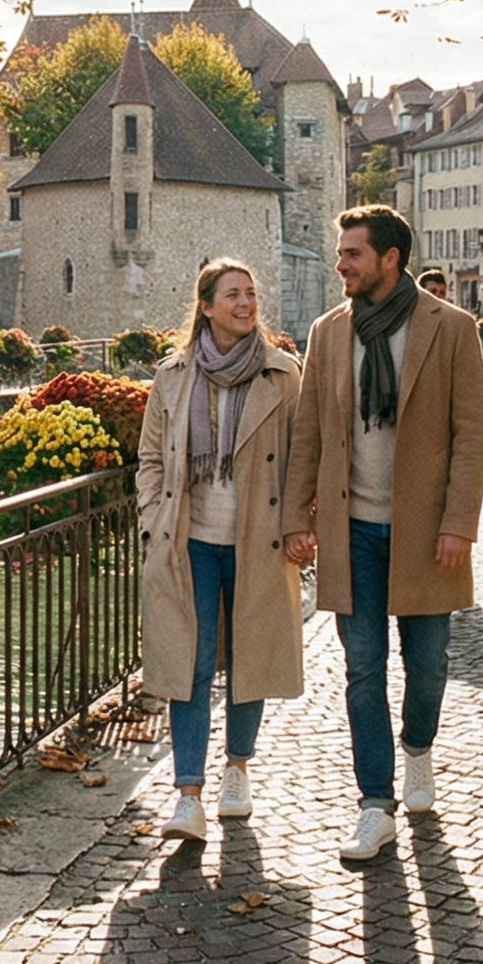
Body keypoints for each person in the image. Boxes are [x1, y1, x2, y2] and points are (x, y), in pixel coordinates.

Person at [283, 205, 483, 864]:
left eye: (352, 254)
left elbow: (470, 435)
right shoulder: (328, 332)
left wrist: (460, 523)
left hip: (427, 532)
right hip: (353, 533)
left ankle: (418, 748)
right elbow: (309, 429)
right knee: (362, 671)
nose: (340, 264)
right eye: (341, 253)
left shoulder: (451, 328)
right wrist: (296, 516)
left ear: (389, 259)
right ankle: (375, 803)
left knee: (428, 668)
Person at [137, 259, 303, 842]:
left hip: (259, 538)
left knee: (249, 658)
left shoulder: (283, 375)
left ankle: (237, 768)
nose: (246, 303)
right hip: (189, 541)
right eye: (233, 295)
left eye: (251, 294)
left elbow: (302, 458)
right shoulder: (173, 375)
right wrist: (152, 517)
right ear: (205, 306)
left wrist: (301, 523)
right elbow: (151, 457)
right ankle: (188, 794)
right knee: (192, 661)